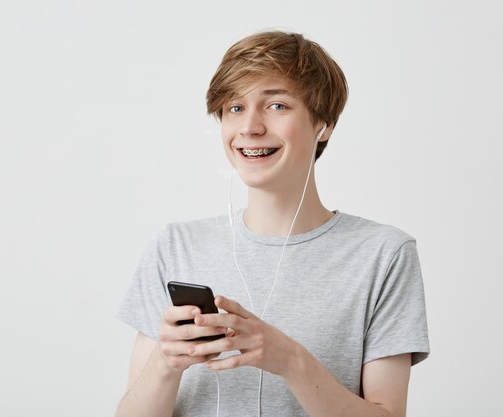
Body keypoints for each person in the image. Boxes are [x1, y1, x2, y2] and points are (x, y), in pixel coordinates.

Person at [115, 30, 429, 417]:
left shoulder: (383, 255)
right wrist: (166, 364)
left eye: (276, 106)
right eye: (234, 108)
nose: (249, 127)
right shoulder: (175, 246)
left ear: (324, 125)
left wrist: (290, 360)